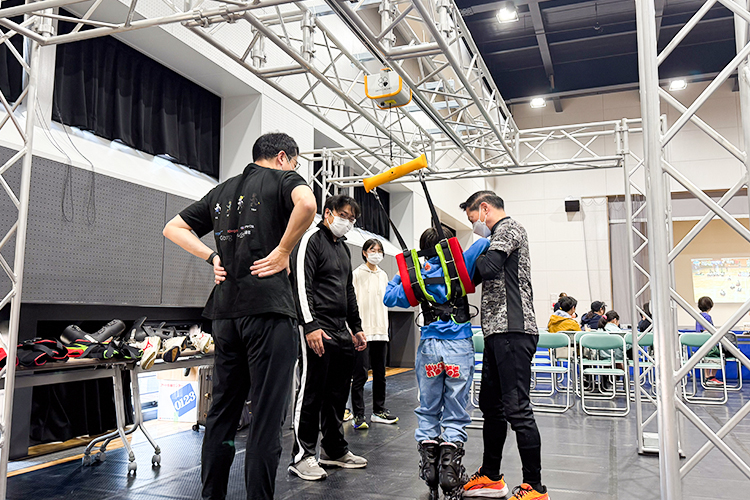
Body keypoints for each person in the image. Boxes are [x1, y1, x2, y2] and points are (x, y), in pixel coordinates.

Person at [163, 132, 316, 500]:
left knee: (222, 413)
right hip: (268, 309)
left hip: (226, 314)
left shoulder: (222, 191)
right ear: (283, 157)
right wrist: (283, 250)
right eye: (294, 163)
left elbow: (173, 227)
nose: (293, 168)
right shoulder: (284, 179)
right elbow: (308, 204)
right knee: (266, 418)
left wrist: (213, 257)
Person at [384, 226, 489, 500]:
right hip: (459, 347)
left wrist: (405, 272)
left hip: (429, 347)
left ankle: (429, 468)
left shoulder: (417, 276)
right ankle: (450, 473)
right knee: (455, 408)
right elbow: (483, 243)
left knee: (428, 407)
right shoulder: (460, 264)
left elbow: (389, 297)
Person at [461, 191, 549, 500]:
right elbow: (471, 278)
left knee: (517, 409)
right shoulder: (493, 237)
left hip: (514, 330)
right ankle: (491, 475)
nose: (474, 224)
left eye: (473, 218)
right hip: (496, 333)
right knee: (491, 406)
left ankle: (535, 487)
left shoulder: (509, 229)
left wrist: (470, 252)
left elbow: (486, 268)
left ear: (484, 209)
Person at [289, 194, 369, 481]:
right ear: (328, 213)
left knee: (337, 394)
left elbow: (348, 290)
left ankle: (334, 450)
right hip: (317, 326)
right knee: (312, 392)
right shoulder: (310, 240)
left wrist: (356, 327)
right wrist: (309, 325)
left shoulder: (343, 248)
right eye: (343, 215)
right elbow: (301, 284)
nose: (347, 222)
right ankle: (302, 456)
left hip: (340, 329)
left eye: (352, 219)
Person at [349, 238, 397, 430]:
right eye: (372, 250)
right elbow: (351, 303)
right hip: (363, 332)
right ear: (364, 252)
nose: (376, 254)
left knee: (380, 374)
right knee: (360, 375)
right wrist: (354, 330)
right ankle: (358, 415)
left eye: (379, 250)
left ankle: (378, 411)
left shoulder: (384, 275)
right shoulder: (356, 274)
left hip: (381, 332)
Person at [695, 296, 723, 386]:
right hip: (708, 342)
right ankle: (712, 376)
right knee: (719, 355)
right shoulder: (707, 316)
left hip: (701, 343)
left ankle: (707, 376)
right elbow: (707, 330)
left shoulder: (698, 316)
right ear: (710, 306)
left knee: (705, 358)